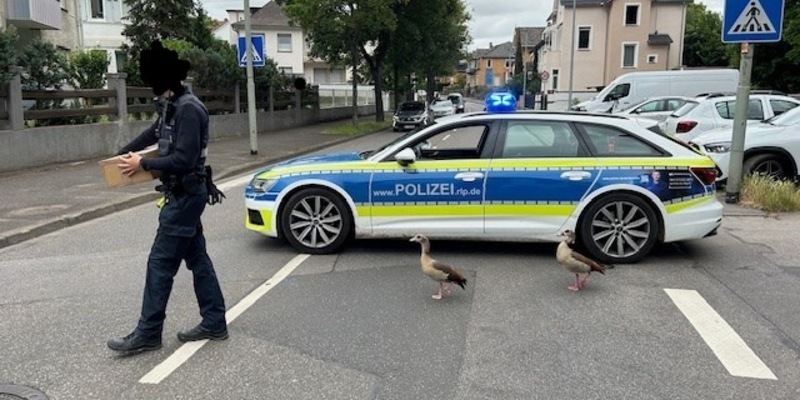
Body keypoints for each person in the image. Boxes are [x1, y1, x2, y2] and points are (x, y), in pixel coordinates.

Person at [107, 40, 228, 354]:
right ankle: (214, 321)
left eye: (152, 81)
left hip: (185, 195)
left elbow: (184, 160)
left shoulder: (189, 109)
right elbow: (154, 133)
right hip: (185, 194)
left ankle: (148, 333)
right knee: (198, 259)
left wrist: (143, 164)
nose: (150, 88)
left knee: (160, 264)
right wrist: (123, 156)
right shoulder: (172, 104)